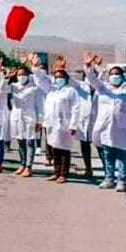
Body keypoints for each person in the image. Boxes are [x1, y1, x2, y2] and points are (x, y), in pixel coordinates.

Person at [85, 54, 126, 192]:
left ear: (122, 76)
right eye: (112, 74)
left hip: (123, 128)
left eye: (117, 74)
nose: (115, 76)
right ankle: (109, 178)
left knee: (123, 155)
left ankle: (121, 181)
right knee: (108, 154)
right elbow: (92, 79)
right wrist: (88, 66)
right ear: (108, 76)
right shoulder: (103, 88)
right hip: (105, 127)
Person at [30, 53, 79, 183]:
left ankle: (63, 174)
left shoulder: (71, 90)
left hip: (65, 125)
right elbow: (40, 79)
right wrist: (35, 67)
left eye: (61, 77)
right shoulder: (51, 89)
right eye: (56, 77)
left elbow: (75, 108)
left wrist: (73, 125)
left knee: (64, 149)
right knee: (55, 148)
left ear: (66, 78)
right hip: (51, 124)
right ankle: (56, 172)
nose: (58, 79)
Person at [9, 63, 42, 177]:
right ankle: (22, 164)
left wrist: (39, 121)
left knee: (30, 142)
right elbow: (2, 89)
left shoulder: (35, 88)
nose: (21, 76)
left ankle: (29, 166)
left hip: (30, 118)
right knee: (20, 142)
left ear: (28, 75)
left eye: (23, 74)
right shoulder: (14, 86)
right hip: (17, 117)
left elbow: (39, 105)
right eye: (19, 74)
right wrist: (6, 76)